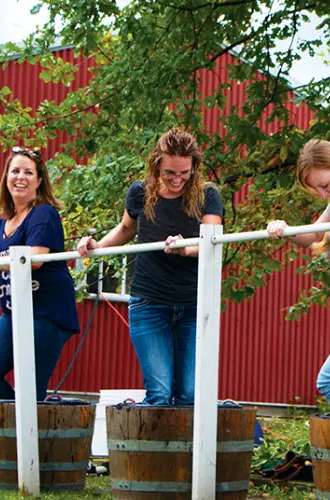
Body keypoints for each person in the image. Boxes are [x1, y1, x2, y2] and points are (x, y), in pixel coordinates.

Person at [77, 128, 223, 405]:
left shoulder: (208, 195)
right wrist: (97, 248)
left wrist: (185, 248)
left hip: (193, 303)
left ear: (194, 167)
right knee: (160, 393)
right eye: (170, 173)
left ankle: (189, 448)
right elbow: (124, 229)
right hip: (149, 302)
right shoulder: (139, 192)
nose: (178, 179)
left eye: (184, 173)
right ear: (156, 164)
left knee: (190, 394)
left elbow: (212, 242)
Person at [0, 147, 79, 401]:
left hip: (47, 312)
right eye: (15, 171)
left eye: (29, 172)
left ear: (39, 181)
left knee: (30, 386)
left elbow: (31, 259)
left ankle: (31, 433)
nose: (21, 177)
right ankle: (14, 426)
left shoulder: (43, 214)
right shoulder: (4, 222)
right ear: (7, 177)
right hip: (16, 312)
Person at [267, 139, 330, 418]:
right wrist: (284, 228)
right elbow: (313, 236)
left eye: (325, 184)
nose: (324, 193)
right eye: (318, 189)